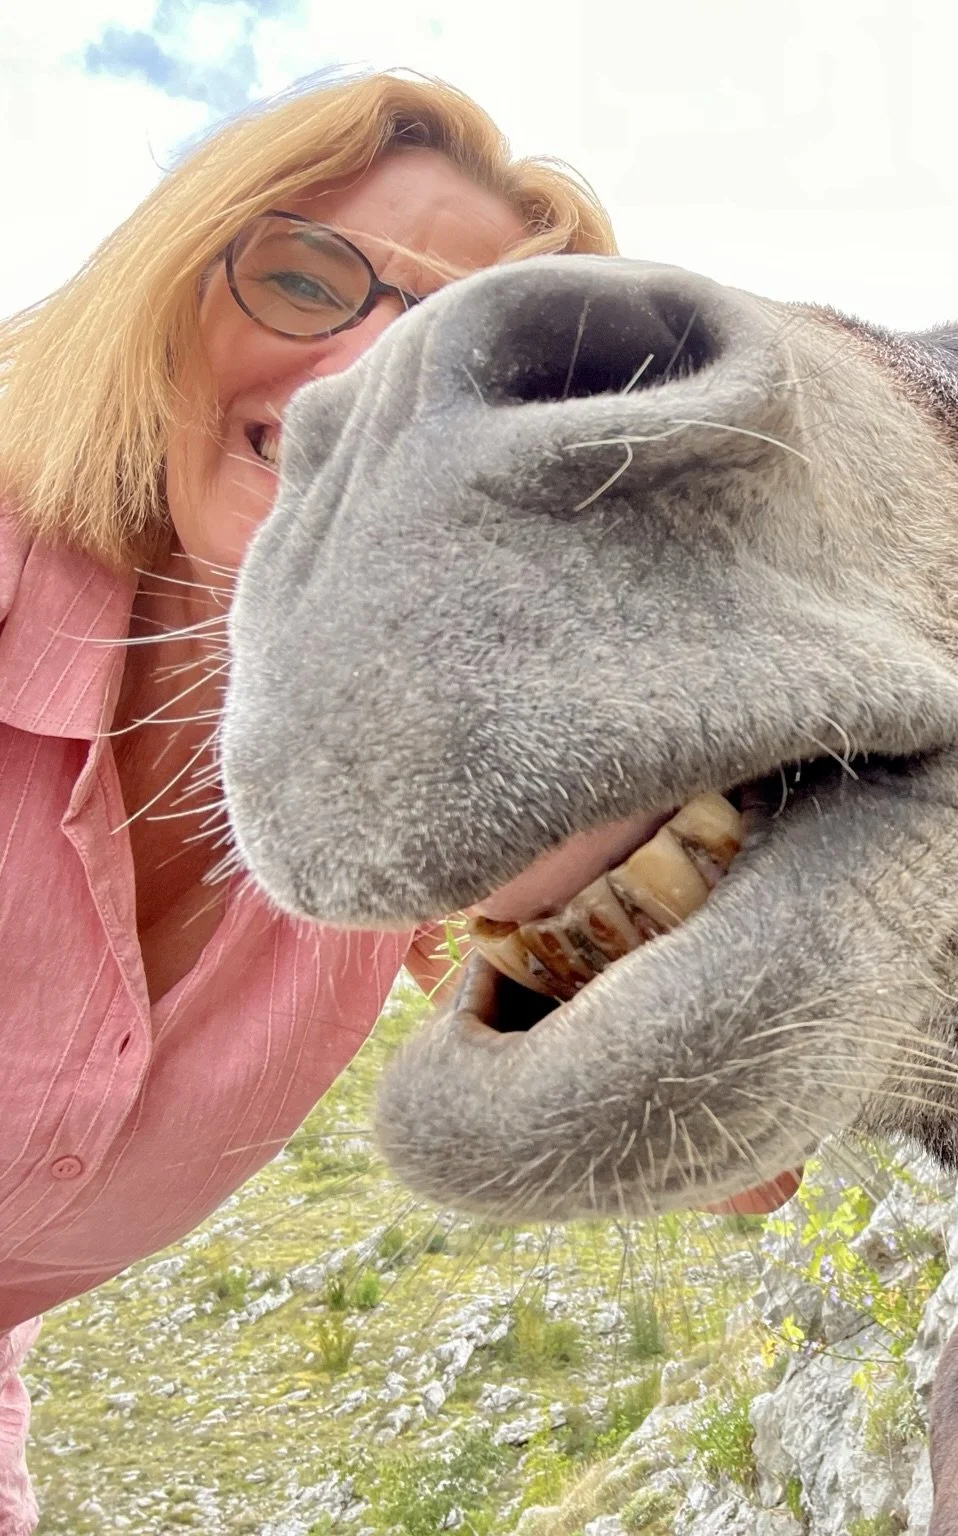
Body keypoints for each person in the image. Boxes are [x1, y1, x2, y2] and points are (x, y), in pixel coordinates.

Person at [0, 73, 617, 1533]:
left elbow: (664, 1100)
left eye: (469, 358)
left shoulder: (423, 778)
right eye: (301, 278)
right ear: (167, 293)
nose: (362, 378)